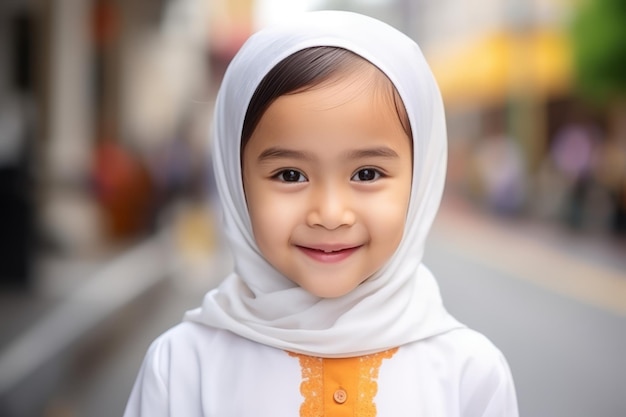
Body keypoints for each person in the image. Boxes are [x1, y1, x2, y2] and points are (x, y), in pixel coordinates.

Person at [123, 11, 518, 416]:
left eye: (367, 173)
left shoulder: (469, 375)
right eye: (290, 174)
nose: (330, 214)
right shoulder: (182, 368)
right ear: (235, 180)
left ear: (420, 179)